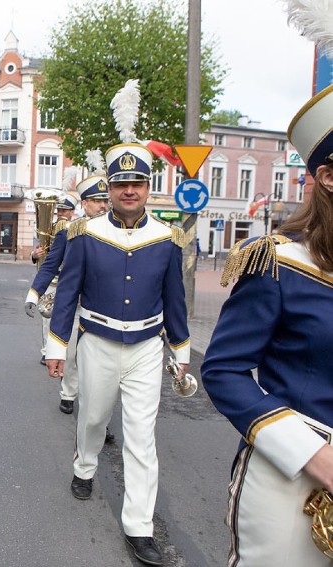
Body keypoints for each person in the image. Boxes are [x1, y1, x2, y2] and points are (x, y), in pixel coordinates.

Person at [201, 83, 333, 566]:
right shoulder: (278, 263)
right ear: (328, 176)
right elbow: (223, 371)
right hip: (291, 480)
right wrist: (314, 456)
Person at [46, 143, 189, 566]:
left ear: (148, 187)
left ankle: (139, 527)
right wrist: (56, 347)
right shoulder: (85, 235)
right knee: (92, 416)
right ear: (110, 188)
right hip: (98, 344)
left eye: (137, 183)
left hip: (146, 347)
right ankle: (85, 465)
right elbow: (67, 294)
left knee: (142, 438)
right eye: (122, 183)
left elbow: (175, 300)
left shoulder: (166, 238)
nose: (130, 191)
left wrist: (180, 352)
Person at [27, 173, 109, 416]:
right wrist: (34, 293)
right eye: (96, 200)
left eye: (105, 200)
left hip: (105, 307)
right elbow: (51, 264)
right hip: (76, 304)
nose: (103, 205)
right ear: (85, 204)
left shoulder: (119, 233)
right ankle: (69, 393)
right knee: (72, 353)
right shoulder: (70, 231)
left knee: (101, 365)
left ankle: (99, 418)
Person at [31, 192, 78, 367]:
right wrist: (35, 255)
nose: (61, 214)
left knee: (68, 317)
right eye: (59, 210)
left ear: (72, 212)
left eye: (65, 211)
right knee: (46, 317)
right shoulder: (45, 227)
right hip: (50, 279)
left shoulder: (77, 228)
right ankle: (46, 352)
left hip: (68, 280)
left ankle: (65, 350)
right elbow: (34, 250)